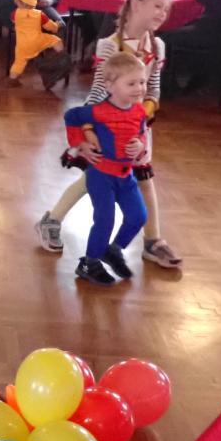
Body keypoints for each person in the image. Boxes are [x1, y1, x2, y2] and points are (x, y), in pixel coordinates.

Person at [37, 0, 182, 269]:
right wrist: (88, 132)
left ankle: (153, 241)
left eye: (166, 9)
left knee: (144, 179)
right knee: (94, 178)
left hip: (137, 129)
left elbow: (154, 89)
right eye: (157, 6)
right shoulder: (109, 46)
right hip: (105, 128)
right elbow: (97, 94)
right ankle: (52, 220)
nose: (162, 13)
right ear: (135, 4)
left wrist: (141, 120)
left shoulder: (157, 46)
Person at [64, 53, 150, 287]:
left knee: (138, 216)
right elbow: (71, 116)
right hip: (101, 175)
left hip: (125, 175)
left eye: (142, 82)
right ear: (110, 86)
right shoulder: (97, 111)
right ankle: (89, 262)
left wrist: (140, 144)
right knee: (105, 219)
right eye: (131, 83)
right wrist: (81, 144)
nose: (139, 88)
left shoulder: (139, 111)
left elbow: (141, 132)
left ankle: (113, 249)